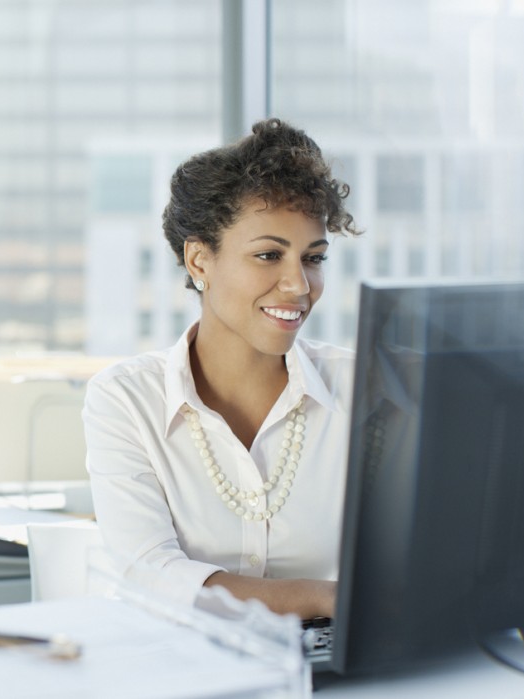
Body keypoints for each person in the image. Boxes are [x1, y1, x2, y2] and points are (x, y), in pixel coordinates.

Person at [82, 118, 361, 620]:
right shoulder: (126, 400)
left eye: (313, 257)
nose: (298, 285)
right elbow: (150, 575)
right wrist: (330, 598)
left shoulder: (364, 388)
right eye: (268, 255)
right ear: (199, 261)